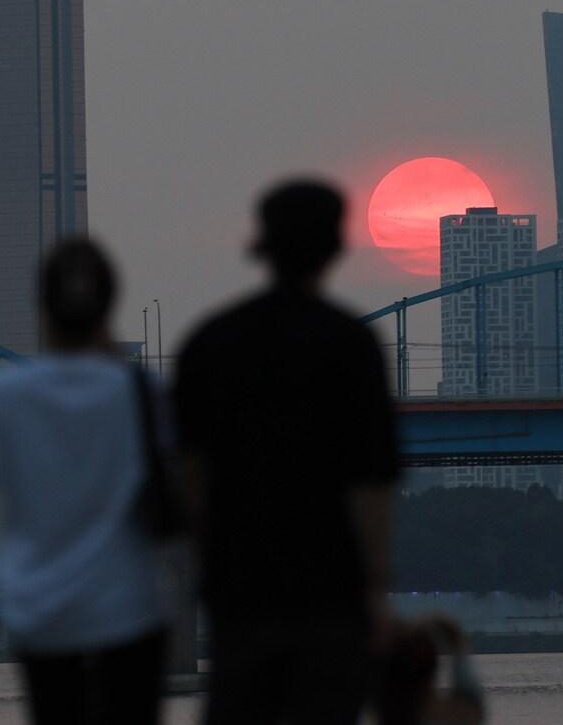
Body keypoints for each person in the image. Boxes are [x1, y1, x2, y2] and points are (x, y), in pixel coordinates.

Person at [174, 180, 400, 724]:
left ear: (262, 245)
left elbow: (189, 477)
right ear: (335, 248)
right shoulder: (353, 345)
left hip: (239, 595)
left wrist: (205, 561)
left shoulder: (209, 342)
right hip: (331, 598)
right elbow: (371, 486)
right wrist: (375, 590)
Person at [0, 239, 172, 725]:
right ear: (111, 303)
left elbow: (1, 481)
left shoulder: (6, 392)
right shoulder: (144, 391)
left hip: (40, 610)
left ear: (41, 304)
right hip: (129, 606)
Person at [374, 615, 484, 725]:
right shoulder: (455, 716)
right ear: (434, 667)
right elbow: (472, 706)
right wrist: (457, 647)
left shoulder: (382, 713)